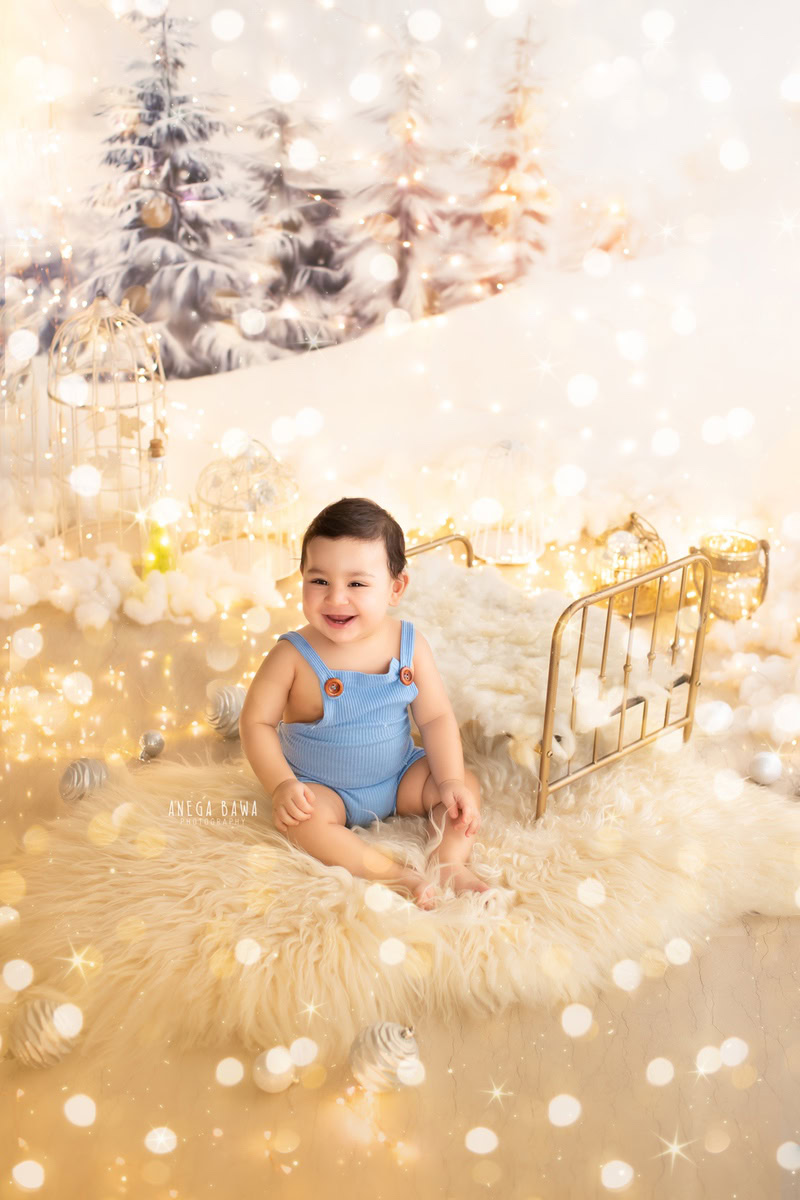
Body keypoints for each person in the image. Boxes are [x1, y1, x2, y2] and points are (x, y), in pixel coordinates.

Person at [240, 496, 490, 910]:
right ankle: (393, 874)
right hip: (323, 788)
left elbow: (437, 717)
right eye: (319, 581)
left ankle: (449, 862)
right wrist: (283, 784)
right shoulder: (292, 655)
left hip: (398, 776)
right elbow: (256, 724)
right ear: (301, 578)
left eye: (357, 584)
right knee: (300, 823)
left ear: (396, 588)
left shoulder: (409, 644)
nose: (337, 599)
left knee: (465, 786)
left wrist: (447, 782)